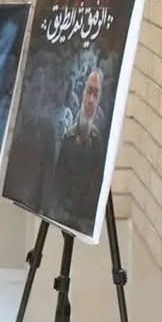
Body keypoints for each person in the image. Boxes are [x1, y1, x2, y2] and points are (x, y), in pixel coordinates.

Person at [47, 68, 106, 232]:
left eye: (96, 94)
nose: (90, 100)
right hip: (62, 214)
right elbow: (56, 182)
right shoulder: (68, 137)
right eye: (89, 92)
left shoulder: (99, 141)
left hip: (85, 220)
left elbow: (96, 185)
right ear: (82, 93)